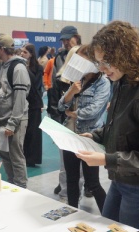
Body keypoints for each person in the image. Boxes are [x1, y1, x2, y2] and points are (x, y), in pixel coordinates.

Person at [77, 21, 139, 230]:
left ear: (125, 55)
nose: (102, 70)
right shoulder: (122, 84)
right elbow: (120, 126)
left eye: (107, 62)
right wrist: (95, 136)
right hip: (122, 179)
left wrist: (106, 158)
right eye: (99, 63)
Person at [59, 45, 111, 212]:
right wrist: (71, 92)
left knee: (92, 183)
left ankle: (109, 216)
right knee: (71, 180)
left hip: (89, 136)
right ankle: (73, 211)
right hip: (70, 136)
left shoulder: (103, 82)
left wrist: (73, 113)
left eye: (82, 60)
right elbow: (61, 105)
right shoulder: (79, 79)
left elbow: (94, 110)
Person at [51, 25, 87, 199]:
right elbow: (54, 90)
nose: (65, 42)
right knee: (65, 161)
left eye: (68, 39)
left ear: (76, 37)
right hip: (64, 117)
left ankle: (82, 188)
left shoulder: (88, 58)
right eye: (63, 40)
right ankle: (66, 190)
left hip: (82, 121)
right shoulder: (58, 58)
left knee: (81, 162)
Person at [0, 34, 30, 188]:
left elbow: (20, 98)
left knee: (16, 156)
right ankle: (12, 183)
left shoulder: (18, 68)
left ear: (2, 49)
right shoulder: (0, 67)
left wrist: (12, 123)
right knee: (4, 155)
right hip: (0, 120)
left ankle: (22, 188)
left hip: (14, 121)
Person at [20, 43, 43, 167]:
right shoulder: (20, 66)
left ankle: (32, 158)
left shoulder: (38, 68)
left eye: (25, 52)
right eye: (22, 52)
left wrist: (26, 70)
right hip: (24, 102)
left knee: (33, 132)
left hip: (34, 103)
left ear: (31, 54)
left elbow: (36, 85)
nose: (22, 54)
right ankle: (23, 154)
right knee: (23, 131)